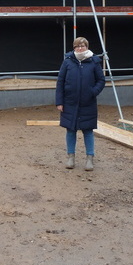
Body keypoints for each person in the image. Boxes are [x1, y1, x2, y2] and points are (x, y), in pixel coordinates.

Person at [56, 37, 106, 171]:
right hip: (69, 102)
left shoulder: (94, 61)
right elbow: (60, 82)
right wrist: (59, 102)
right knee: (70, 130)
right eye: (77, 46)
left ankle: (90, 158)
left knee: (88, 131)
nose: (80, 48)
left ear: (87, 47)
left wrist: (92, 92)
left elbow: (101, 80)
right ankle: (70, 157)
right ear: (74, 48)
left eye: (82, 46)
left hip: (87, 103)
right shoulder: (67, 62)